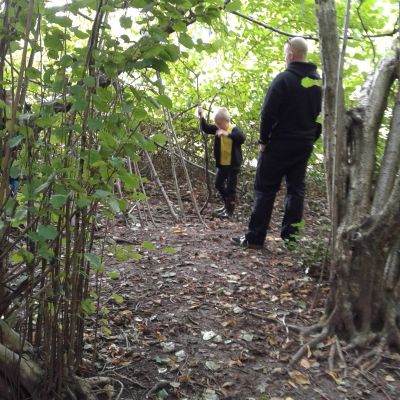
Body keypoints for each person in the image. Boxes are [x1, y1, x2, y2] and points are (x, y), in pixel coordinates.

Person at [232, 37, 322, 249]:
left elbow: (268, 113)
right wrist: (310, 138)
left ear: (290, 54)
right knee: (296, 190)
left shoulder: (283, 79)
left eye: (285, 55)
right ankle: (291, 241)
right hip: (303, 146)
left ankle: (254, 238)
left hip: (278, 145)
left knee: (265, 189)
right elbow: (319, 117)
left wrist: (264, 140)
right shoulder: (318, 83)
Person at [198, 106, 245, 218]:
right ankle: (226, 205)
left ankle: (230, 212)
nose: (218, 127)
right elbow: (206, 128)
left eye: (219, 124)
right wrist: (201, 115)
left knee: (230, 188)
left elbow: (242, 138)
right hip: (222, 164)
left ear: (227, 121)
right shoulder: (217, 128)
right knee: (218, 184)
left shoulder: (234, 129)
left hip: (232, 165)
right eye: (216, 124)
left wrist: (226, 134)